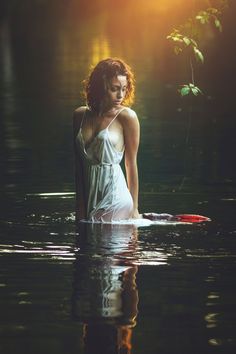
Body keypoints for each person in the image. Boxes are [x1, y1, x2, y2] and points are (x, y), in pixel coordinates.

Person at [73, 57, 141, 222]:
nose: (121, 95)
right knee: (89, 243)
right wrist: (80, 208)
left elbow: (130, 164)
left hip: (116, 197)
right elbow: (78, 166)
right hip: (89, 199)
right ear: (100, 87)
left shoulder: (127, 117)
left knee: (104, 244)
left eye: (124, 89)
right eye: (114, 88)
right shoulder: (79, 115)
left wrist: (134, 209)